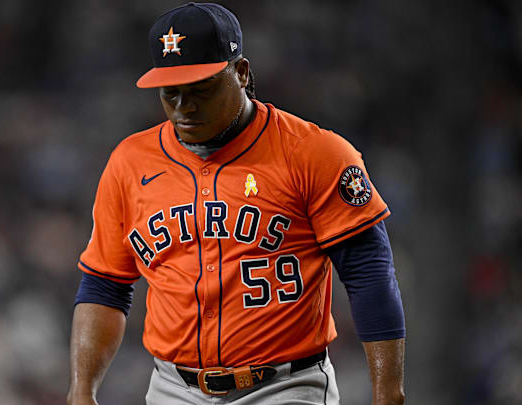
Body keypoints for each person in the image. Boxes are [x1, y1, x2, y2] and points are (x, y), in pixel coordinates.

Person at [68, 3, 405, 404]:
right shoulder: (130, 161)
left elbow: (369, 273)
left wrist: (388, 393)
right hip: (172, 388)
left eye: (201, 89)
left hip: (285, 387)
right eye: (171, 93)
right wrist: (81, 389)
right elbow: (105, 284)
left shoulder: (313, 152)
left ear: (241, 73)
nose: (184, 107)